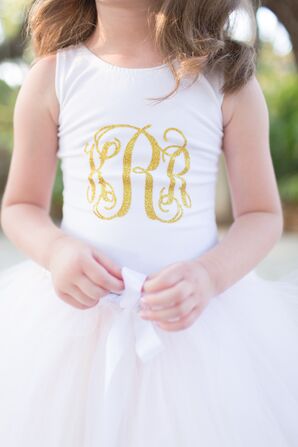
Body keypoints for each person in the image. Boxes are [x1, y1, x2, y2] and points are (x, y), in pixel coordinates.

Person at [0, 0, 297, 446]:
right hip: (76, 331)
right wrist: (56, 251)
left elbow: (262, 214)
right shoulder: (53, 76)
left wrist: (210, 276)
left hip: (197, 325)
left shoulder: (226, 77)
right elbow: (20, 205)